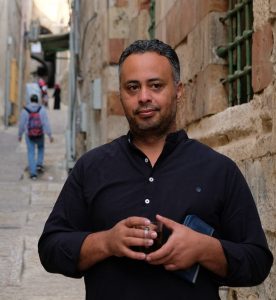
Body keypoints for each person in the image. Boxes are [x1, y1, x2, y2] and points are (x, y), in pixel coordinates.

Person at [38, 40, 273, 299]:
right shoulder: (92, 167)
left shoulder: (218, 170)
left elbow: (258, 261)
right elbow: (50, 248)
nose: (144, 97)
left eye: (156, 85)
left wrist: (203, 248)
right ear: (121, 95)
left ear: (179, 90)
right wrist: (106, 242)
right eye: (132, 87)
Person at [18, 94, 54, 180]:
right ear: (37, 100)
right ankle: (39, 164)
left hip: (29, 135)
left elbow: (21, 125)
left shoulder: (25, 110)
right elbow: (46, 123)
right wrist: (50, 135)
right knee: (41, 148)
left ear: (30, 100)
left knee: (31, 152)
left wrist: (19, 135)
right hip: (40, 134)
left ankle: (33, 173)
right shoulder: (42, 109)